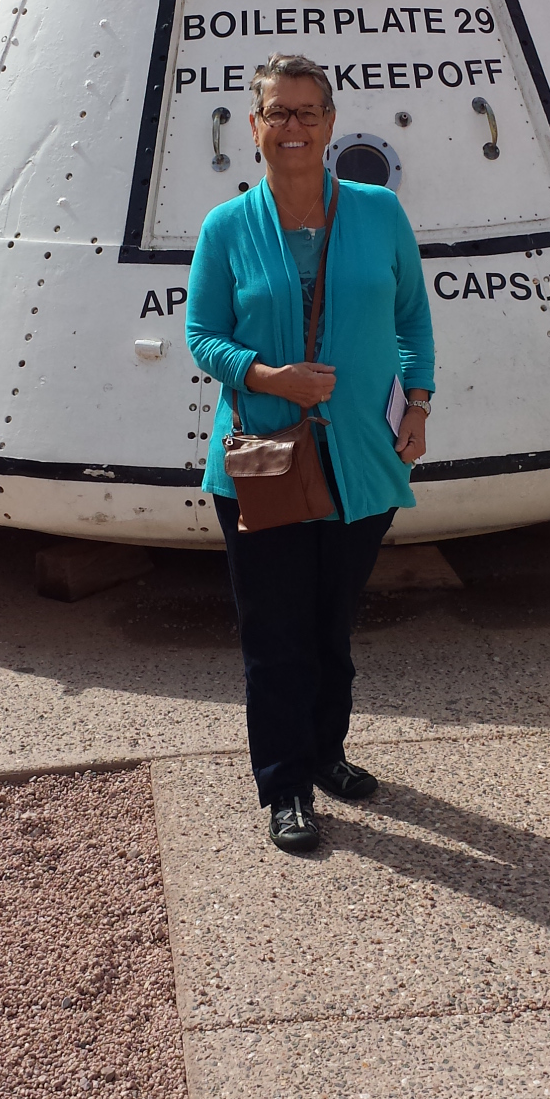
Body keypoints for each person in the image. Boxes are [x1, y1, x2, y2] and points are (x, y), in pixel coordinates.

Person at [185, 51, 435, 854]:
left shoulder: (378, 213)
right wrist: (268, 376)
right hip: (264, 461)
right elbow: (201, 336)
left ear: (329, 123)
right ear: (254, 126)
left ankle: (327, 752)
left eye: (306, 111)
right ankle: (285, 785)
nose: (292, 126)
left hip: (362, 455)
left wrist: (418, 402)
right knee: (276, 635)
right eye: (277, 113)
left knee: (333, 625)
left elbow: (412, 320)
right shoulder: (227, 227)